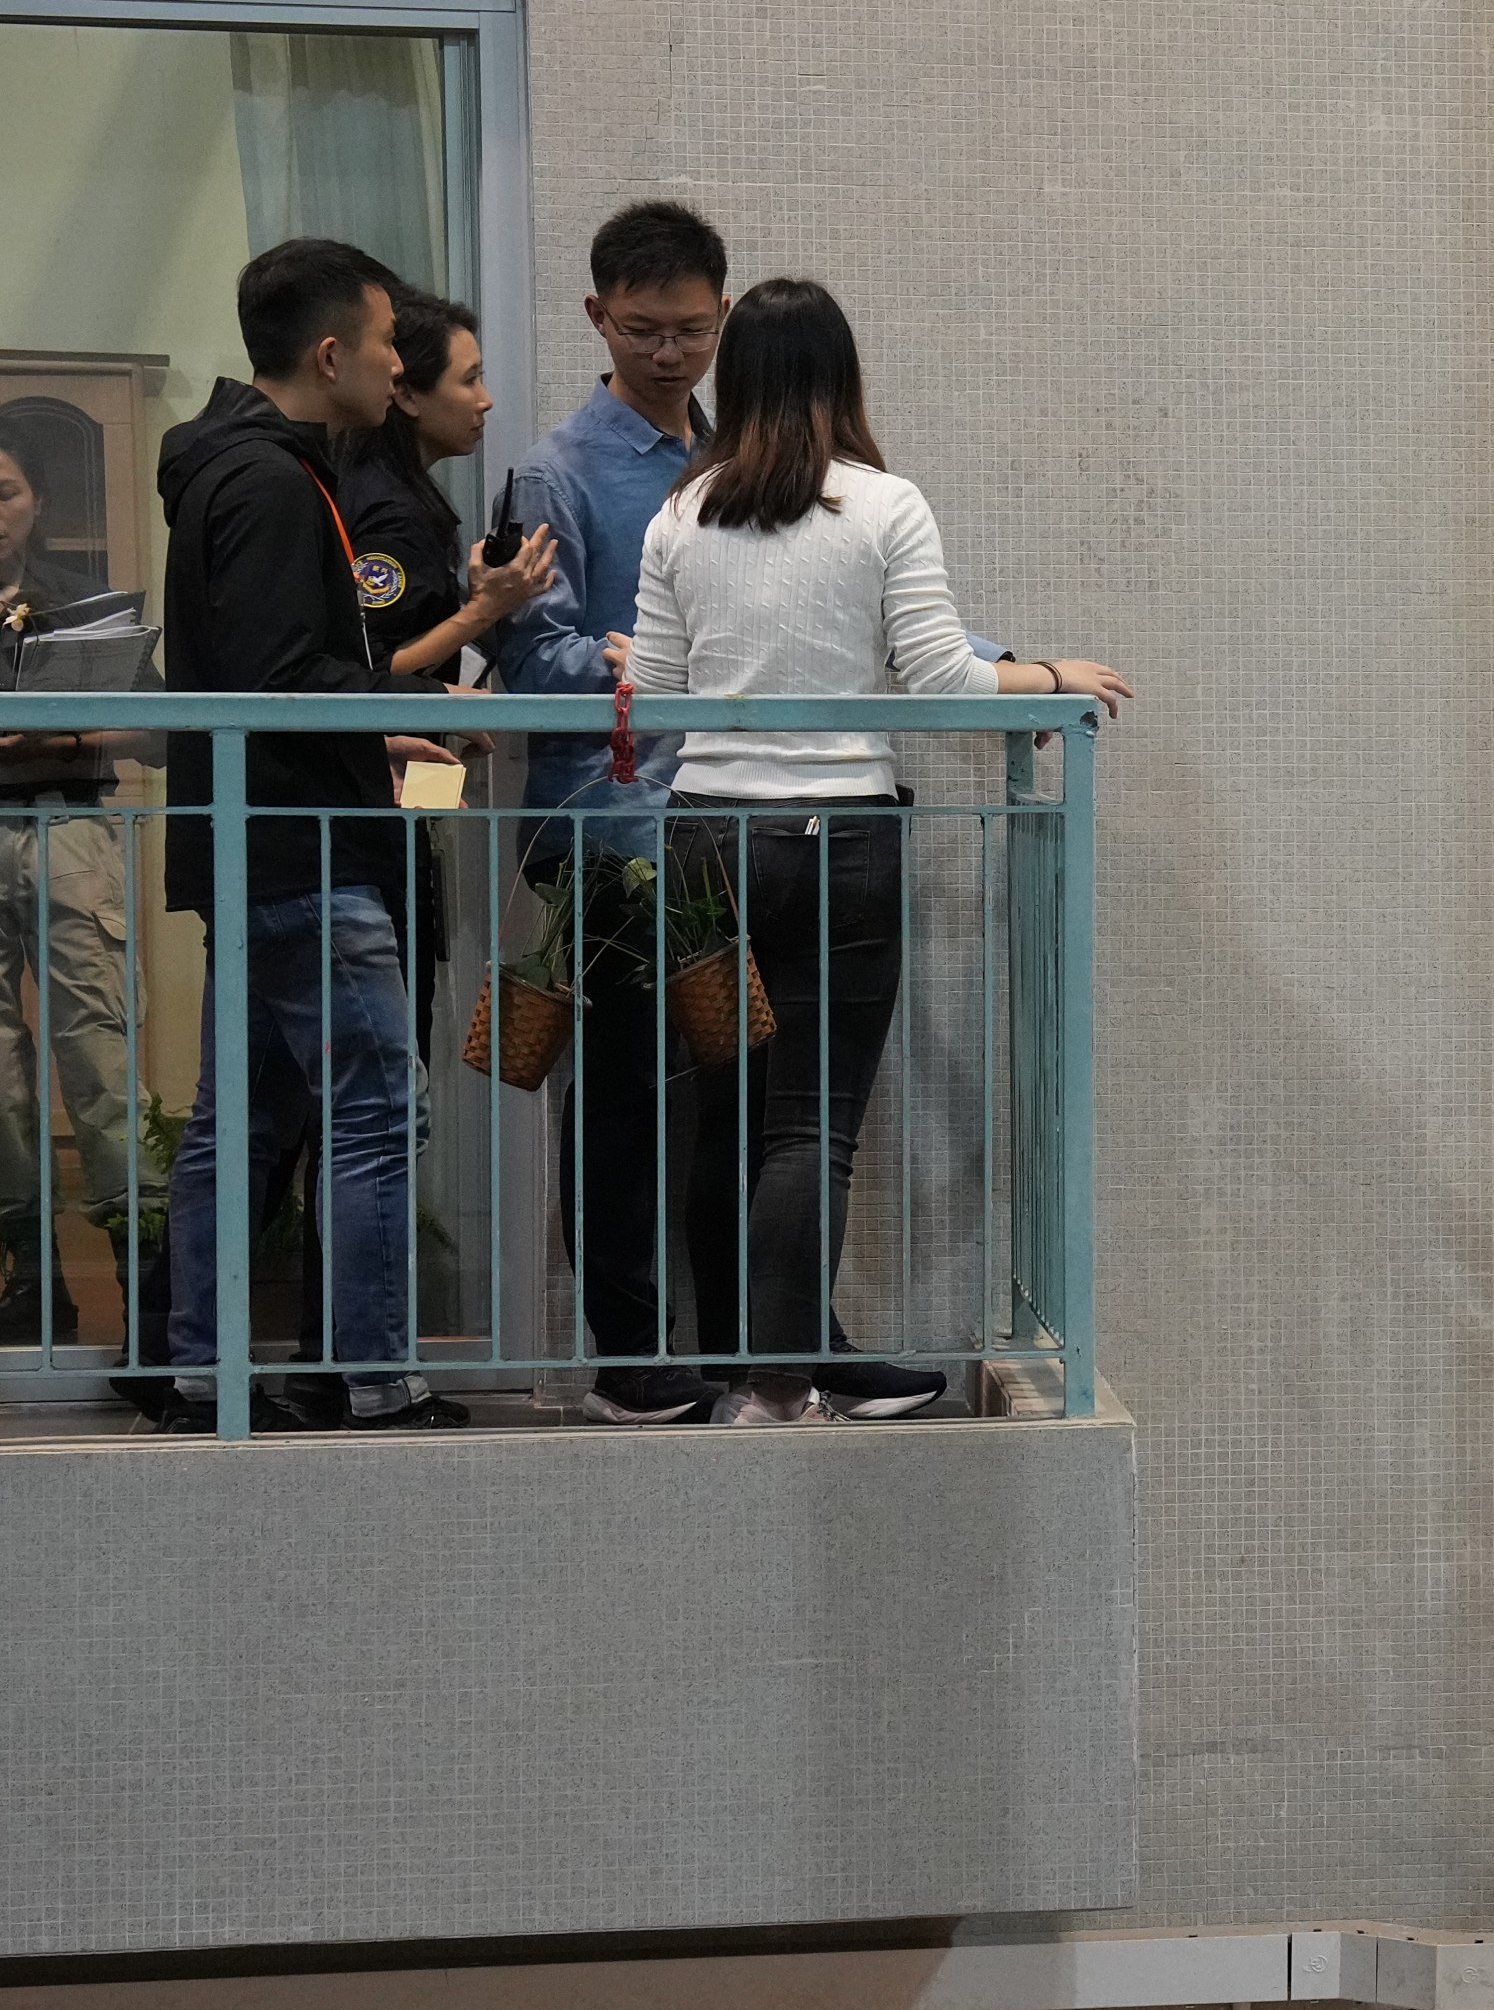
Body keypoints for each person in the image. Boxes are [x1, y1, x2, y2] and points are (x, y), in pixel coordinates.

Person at [624, 278, 1130, 1423]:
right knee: (809, 1123)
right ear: (840, 376)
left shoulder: (681, 512)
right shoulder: (885, 505)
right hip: (838, 835)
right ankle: (783, 1378)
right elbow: (942, 674)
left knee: (726, 1112)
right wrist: (1049, 677)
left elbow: (652, 689)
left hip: (704, 834)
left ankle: (738, 1371)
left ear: (735, 376)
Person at [152, 237, 466, 1431]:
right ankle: (377, 1380)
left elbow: (270, 674)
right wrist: (388, 712)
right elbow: (284, 679)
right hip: (306, 852)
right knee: (375, 1108)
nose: (399, 364)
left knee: (241, 1123)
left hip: (260, 846)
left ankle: (202, 1374)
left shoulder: (238, 470)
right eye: (387, 343)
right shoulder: (275, 484)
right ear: (330, 355)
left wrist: (376, 725)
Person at [489, 202, 727, 1426]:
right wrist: (620, 659)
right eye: (643, 331)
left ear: (722, 315)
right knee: (629, 1088)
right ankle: (628, 1351)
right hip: (607, 822)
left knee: (730, 1081)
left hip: (725, 811)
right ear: (597, 318)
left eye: (691, 329)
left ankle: (735, 1343)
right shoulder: (556, 470)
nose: (670, 353)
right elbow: (527, 661)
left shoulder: (738, 458)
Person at [336, 289, 561, 1044]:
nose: (486, 400)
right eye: (469, 379)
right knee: (390, 1041)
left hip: (401, 795)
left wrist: (474, 610)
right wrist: (485, 609)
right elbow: (375, 665)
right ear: (406, 393)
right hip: (367, 802)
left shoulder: (406, 495)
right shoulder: (387, 510)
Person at [0, 435, 148, 1348]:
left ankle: (148, 1294)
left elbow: (157, 728)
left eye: (6, 492)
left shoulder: (83, 604)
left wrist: (59, 738)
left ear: (37, 502)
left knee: (98, 1055)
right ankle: (30, 1289)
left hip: (69, 824)